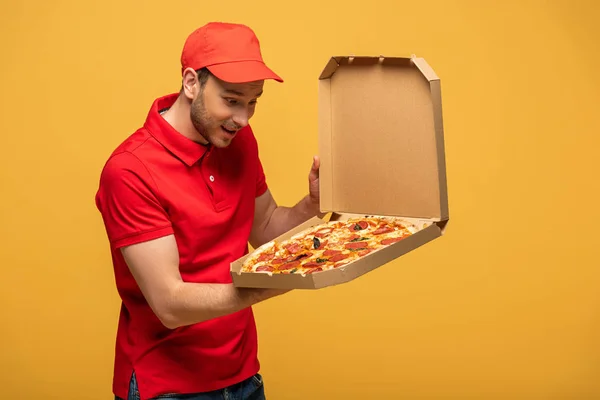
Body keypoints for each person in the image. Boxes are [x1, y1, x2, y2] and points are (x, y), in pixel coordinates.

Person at [95, 22, 323, 400]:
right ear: (191, 83)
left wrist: (312, 205)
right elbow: (169, 304)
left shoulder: (239, 139)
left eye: (253, 102)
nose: (243, 118)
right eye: (231, 100)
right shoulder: (130, 171)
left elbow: (265, 228)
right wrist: (270, 284)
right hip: (167, 387)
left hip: (243, 374)